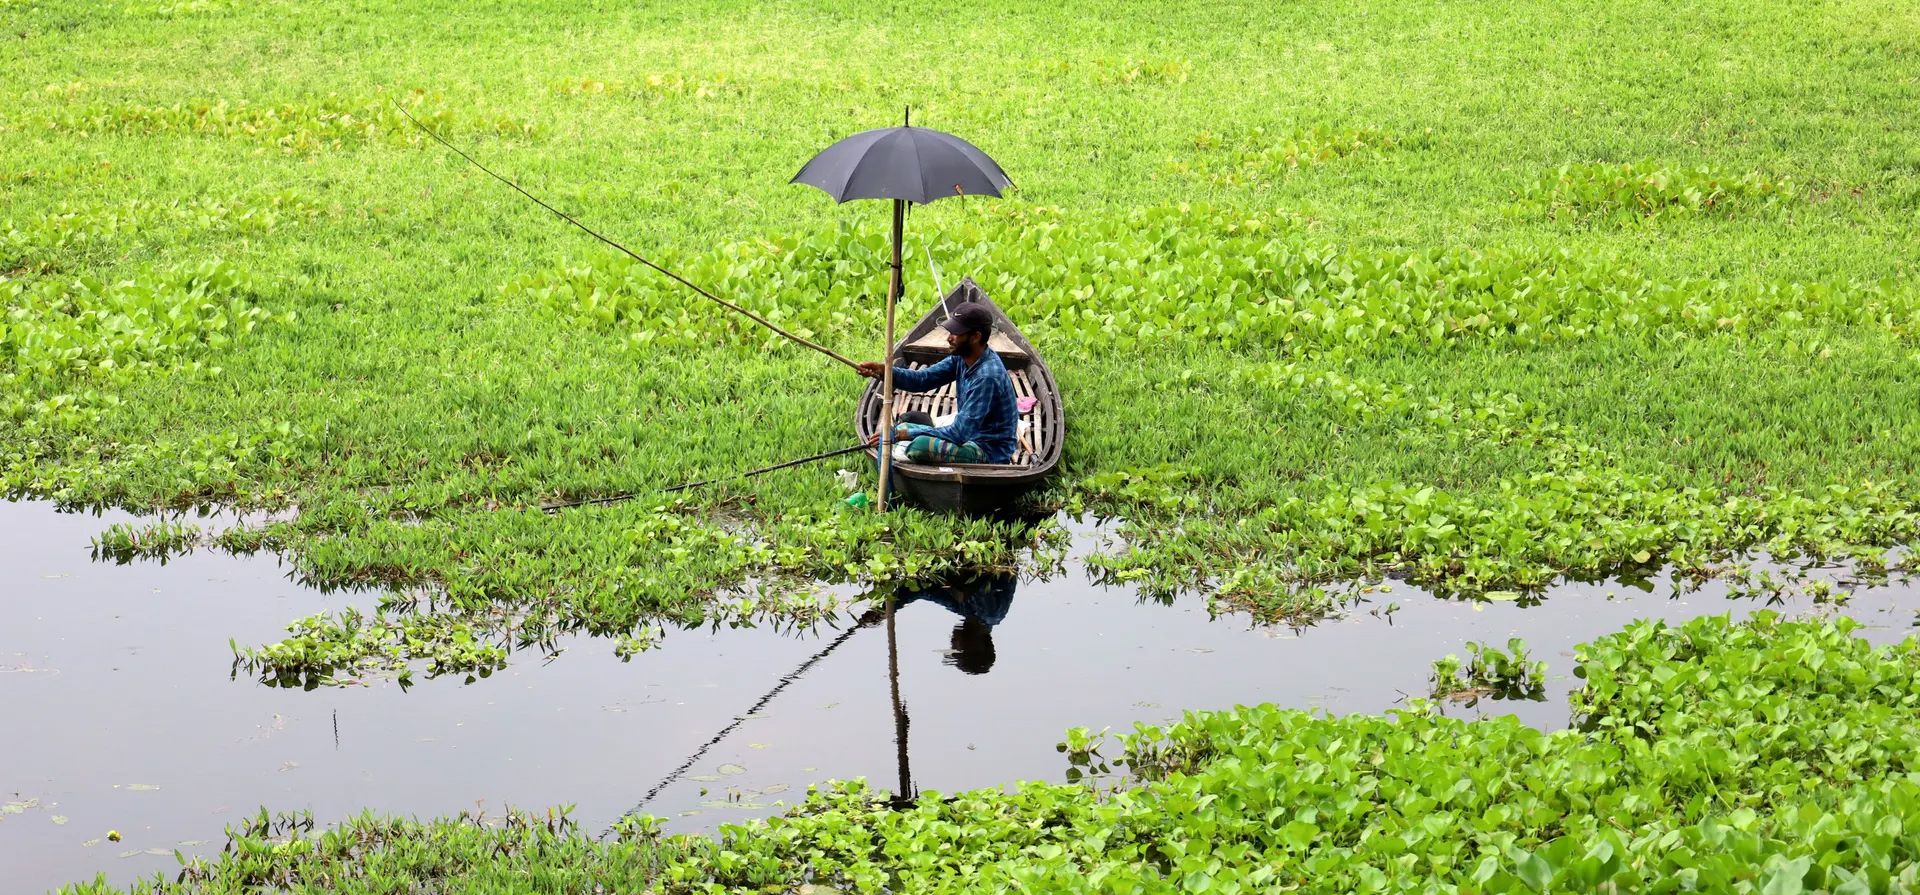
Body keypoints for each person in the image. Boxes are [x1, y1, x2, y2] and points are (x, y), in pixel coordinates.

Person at [856, 304, 1018, 464]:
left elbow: (959, 434)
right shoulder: (962, 357)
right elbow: (922, 380)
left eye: (956, 333)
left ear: (975, 337)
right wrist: (884, 371)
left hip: (988, 449)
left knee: (919, 446)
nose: (949, 338)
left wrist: (901, 435)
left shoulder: (987, 376)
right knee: (907, 420)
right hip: (968, 433)